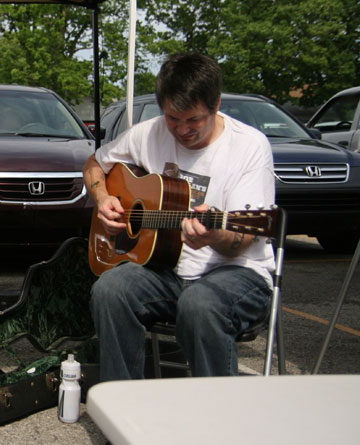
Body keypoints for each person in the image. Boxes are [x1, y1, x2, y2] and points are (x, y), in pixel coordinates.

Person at [84, 52, 275, 379]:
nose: (182, 130)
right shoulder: (148, 133)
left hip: (238, 272)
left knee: (200, 305)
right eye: (173, 118)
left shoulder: (249, 147)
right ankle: (125, 406)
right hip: (169, 269)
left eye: (194, 120)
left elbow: (243, 239)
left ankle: (216, 415)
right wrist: (102, 198)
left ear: (215, 106)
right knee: (110, 289)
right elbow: (94, 165)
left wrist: (214, 235)